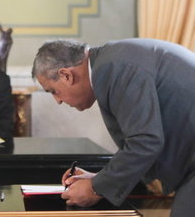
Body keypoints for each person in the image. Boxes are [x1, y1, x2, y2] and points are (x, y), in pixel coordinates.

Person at [32, 38, 195, 217]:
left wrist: (95, 188)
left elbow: (145, 142)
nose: (58, 101)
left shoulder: (116, 68)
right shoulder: (111, 62)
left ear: (66, 75)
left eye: (53, 91)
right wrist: (99, 179)